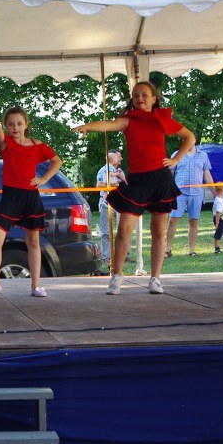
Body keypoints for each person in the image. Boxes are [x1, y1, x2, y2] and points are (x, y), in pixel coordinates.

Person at [73, 81, 195, 296]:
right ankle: (117, 276)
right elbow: (107, 124)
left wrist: (176, 159)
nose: (140, 98)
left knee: (158, 232)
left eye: (144, 95)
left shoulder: (162, 119)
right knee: (124, 230)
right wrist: (87, 127)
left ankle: (155, 279)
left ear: (154, 99)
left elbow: (189, 137)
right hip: (137, 181)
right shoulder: (128, 120)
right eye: (136, 95)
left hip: (160, 179)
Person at [0, 105, 62, 299]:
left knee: (33, 241)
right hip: (11, 197)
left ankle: (36, 285)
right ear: (6, 126)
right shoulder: (6, 144)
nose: (15, 127)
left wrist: (44, 179)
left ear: (26, 124)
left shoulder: (37, 145)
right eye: (11, 124)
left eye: (19, 124)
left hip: (31, 197)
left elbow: (57, 161)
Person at [165, 144, 213, 258]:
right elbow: (170, 173)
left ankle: (192, 250)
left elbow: (207, 175)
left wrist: (215, 193)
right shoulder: (176, 154)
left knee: (193, 221)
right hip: (179, 192)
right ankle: (167, 250)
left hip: (196, 193)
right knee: (172, 220)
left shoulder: (203, 155)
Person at [95, 149, 129, 272]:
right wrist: (115, 184)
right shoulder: (104, 170)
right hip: (106, 203)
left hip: (120, 203)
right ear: (111, 159)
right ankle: (107, 257)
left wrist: (121, 180)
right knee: (106, 232)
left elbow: (125, 184)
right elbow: (99, 185)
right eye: (118, 157)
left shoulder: (119, 171)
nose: (120, 159)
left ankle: (125, 255)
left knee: (124, 229)